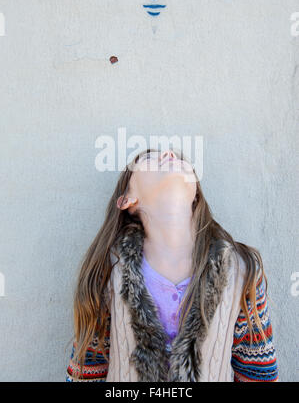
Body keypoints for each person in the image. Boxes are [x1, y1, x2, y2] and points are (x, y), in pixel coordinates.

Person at [66, 148, 278, 382]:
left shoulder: (241, 271)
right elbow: (86, 372)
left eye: (181, 160)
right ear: (127, 200)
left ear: (195, 191)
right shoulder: (107, 272)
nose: (169, 153)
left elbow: (259, 374)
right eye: (147, 159)